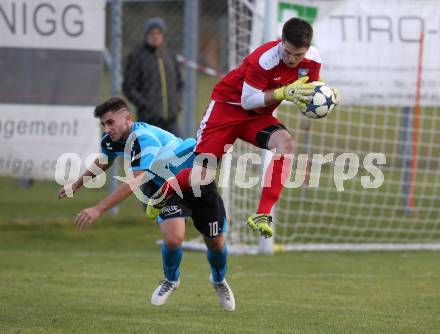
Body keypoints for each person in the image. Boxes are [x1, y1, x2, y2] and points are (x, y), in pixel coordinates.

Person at [147, 18, 341, 238]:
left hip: (257, 117)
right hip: (226, 109)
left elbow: (312, 86)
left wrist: (327, 94)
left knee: (285, 144)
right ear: (281, 42)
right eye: (288, 52)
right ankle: (163, 192)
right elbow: (248, 100)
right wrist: (283, 93)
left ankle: (262, 214)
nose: (292, 59)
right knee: (202, 176)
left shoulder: (312, 59)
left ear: (306, 49)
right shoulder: (264, 60)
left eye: (298, 55)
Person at [58, 97, 235, 311]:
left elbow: (134, 181)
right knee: (173, 238)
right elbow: (104, 161)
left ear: (127, 119)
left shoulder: (143, 138)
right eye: (103, 124)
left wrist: (98, 209)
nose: (107, 128)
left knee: (215, 242)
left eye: (110, 122)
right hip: (165, 188)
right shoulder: (110, 140)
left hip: (196, 179)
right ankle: (170, 280)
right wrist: (76, 185)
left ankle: (218, 280)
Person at [122, 17, 183, 136]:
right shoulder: (137, 57)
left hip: (171, 119)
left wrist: (177, 104)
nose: (155, 36)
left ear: (162, 35)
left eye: (158, 33)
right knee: (150, 152)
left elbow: (179, 83)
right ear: (146, 35)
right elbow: (128, 87)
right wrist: (145, 106)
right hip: (149, 120)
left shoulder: (170, 56)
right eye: (151, 33)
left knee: (178, 152)